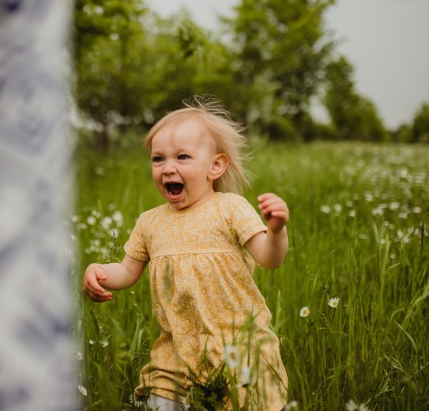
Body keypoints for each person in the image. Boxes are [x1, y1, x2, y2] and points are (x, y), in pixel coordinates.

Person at [83, 96, 289, 410]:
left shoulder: (230, 208)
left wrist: (276, 230)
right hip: (175, 350)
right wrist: (98, 270)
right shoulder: (150, 222)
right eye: (158, 159)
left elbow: (269, 258)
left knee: (244, 402)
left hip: (236, 346)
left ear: (215, 166)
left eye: (182, 157)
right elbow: (126, 271)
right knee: (162, 401)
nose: (168, 168)